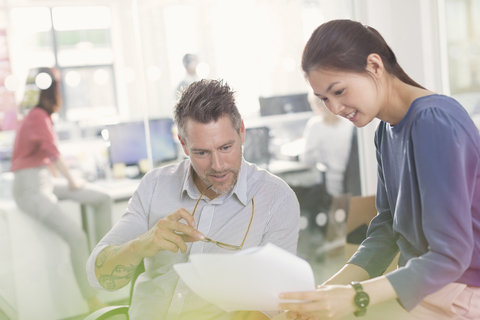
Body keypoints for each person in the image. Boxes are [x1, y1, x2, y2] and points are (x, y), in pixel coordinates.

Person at [279, 19, 480, 320]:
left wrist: (356, 297)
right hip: (422, 289)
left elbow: (451, 255)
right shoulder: (385, 133)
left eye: (339, 91)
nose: (334, 108)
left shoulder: (433, 121)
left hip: (461, 292)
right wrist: (324, 294)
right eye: (324, 99)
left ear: (374, 65)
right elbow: (387, 229)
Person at [87, 79, 300, 320]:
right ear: (184, 144)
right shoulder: (156, 184)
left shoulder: (276, 199)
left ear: (241, 132)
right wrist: (139, 246)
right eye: (201, 152)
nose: (218, 166)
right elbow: (99, 276)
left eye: (226, 147)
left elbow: (270, 305)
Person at [10, 67, 112, 313]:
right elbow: (53, 153)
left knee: (102, 198)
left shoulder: (39, 116)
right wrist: (72, 180)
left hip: (44, 180)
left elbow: (45, 155)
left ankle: (106, 255)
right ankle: (91, 300)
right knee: (76, 237)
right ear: (51, 90)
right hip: (30, 188)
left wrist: (66, 180)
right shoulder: (36, 116)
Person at [299, 91, 355, 197]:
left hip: (331, 185)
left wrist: (319, 156)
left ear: (316, 105)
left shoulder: (316, 125)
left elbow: (306, 159)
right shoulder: (348, 121)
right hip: (353, 181)